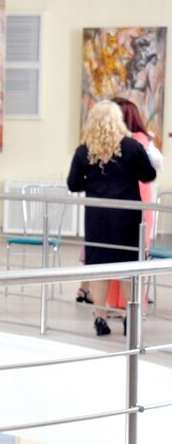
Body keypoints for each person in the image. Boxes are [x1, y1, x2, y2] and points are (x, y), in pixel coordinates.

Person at [67, 100, 156, 336]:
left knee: (99, 268)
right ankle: (128, 318)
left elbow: (73, 183)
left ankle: (100, 318)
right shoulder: (132, 147)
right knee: (127, 268)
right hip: (128, 217)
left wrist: (93, 184)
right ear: (118, 121)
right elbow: (149, 175)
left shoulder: (84, 150)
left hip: (97, 217)